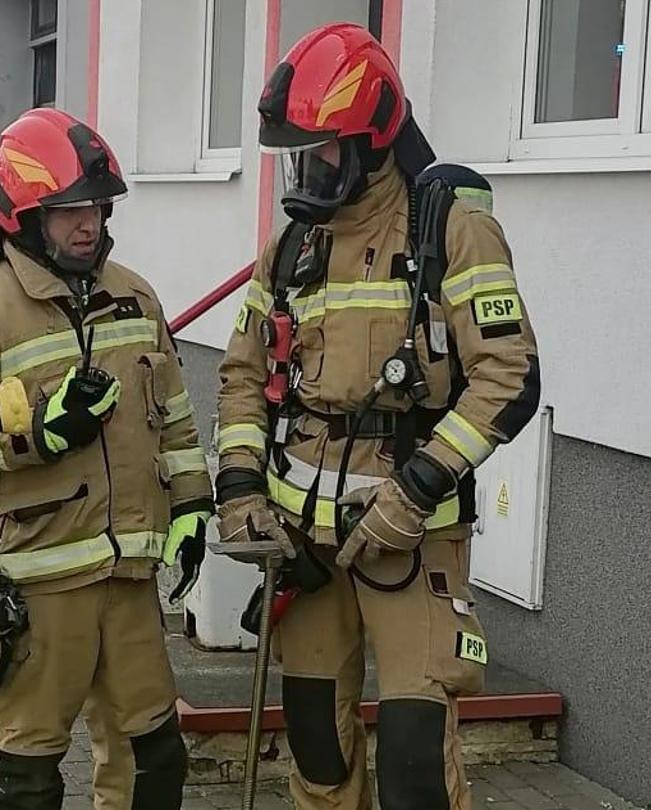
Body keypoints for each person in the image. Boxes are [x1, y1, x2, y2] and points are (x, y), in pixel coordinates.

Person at [213, 23, 543, 810]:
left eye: (322, 151)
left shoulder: (449, 230)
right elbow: (242, 371)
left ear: (370, 140)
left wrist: (419, 487)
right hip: (305, 543)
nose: (308, 169)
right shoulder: (292, 247)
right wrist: (239, 489)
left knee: (414, 762)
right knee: (316, 743)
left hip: (409, 535)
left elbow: (511, 375)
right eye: (300, 153)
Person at [0, 108, 210, 809]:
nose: (89, 224)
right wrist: (40, 434)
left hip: (132, 582)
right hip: (40, 588)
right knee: (28, 779)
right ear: (21, 217)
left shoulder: (135, 296)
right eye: (67, 211)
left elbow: (174, 416)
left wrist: (195, 504)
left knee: (155, 762)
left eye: (97, 208)